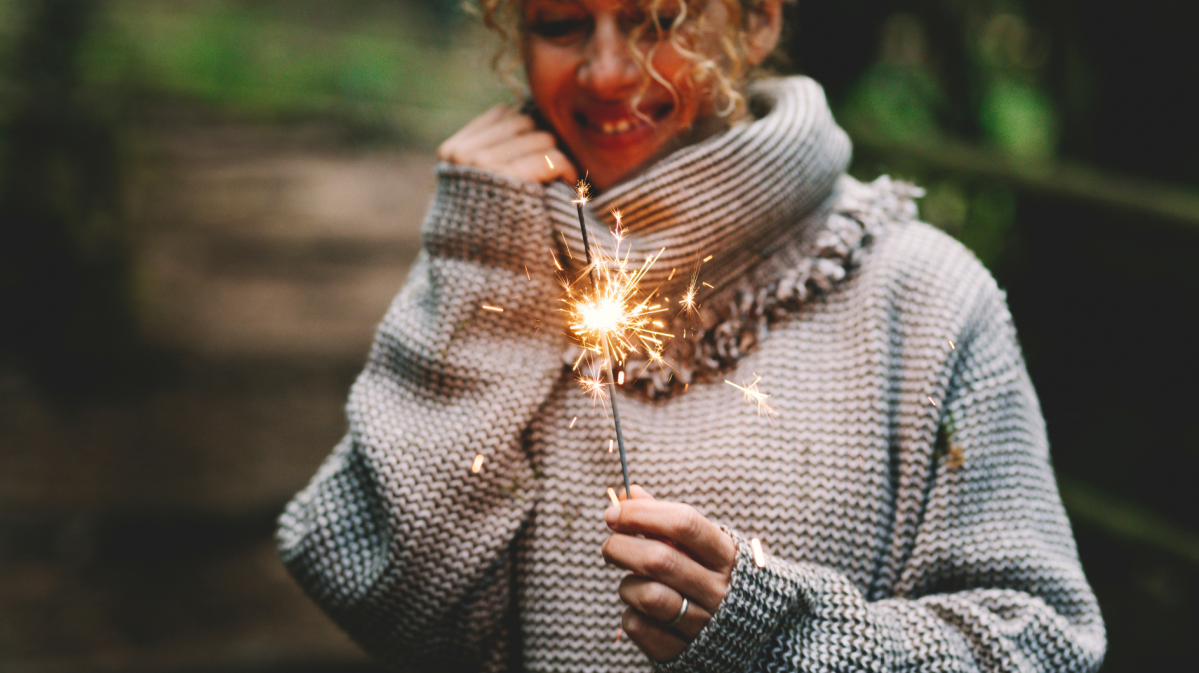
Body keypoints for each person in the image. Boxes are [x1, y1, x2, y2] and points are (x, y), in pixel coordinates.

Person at [277, 1, 1106, 671]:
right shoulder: (495, 261)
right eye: (561, 25)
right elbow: (382, 593)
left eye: (655, 22)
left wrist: (777, 635)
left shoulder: (920, 293)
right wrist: (476, 266)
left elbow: (1039, 644)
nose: (606, 72)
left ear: (756, 23)